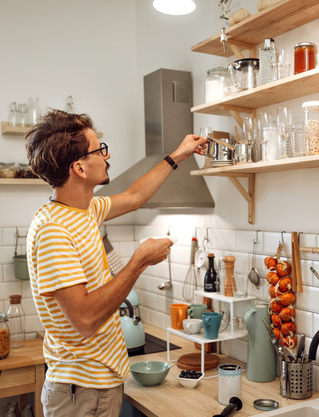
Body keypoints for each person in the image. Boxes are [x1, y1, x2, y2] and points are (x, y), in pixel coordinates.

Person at [24, 109, 206, 417]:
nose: (107, 156)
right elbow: (84, 319)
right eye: (99, 149)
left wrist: (179, 155)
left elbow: (135, 196)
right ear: (79, 167)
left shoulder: (84, 210)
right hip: (80, 391)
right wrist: (139, 262)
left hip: (96, 384)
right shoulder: (53, 230)